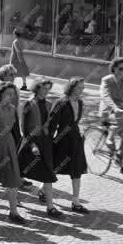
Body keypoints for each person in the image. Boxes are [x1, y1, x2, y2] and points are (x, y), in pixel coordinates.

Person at [18, 79, 63, 219]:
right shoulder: (27, 103)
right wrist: (32, 145)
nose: (46, 91)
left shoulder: (49, 104)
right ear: (36, 88)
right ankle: (14, 201)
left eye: (48, 89)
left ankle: (50, 207)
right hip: (30, 143)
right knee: (18, 173)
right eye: (43, 88)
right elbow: (23, 128)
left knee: (48, 174)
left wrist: (51, 139)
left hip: (45, 143)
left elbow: (52, 126)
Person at [0, 82, 25, 224]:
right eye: (8, 93)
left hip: (9, 144)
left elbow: (15, 129)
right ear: (0, 93)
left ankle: (13, 212)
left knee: (13, 178)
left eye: (13, 94)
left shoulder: (13, 108)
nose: (11, 96)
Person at [48, 77, 89, 213]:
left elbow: (76, 121)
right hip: (62, 138)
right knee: (54, 167)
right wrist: (48, 141)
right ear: (71, 87)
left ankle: (75, 201)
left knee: (76, 169)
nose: (81, 90)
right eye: (79, 88)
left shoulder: (80, 102)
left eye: (82, 88)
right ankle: (43, 190)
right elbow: (52, 124)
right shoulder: (60, 102)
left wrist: (80, 132)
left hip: (76, 138)